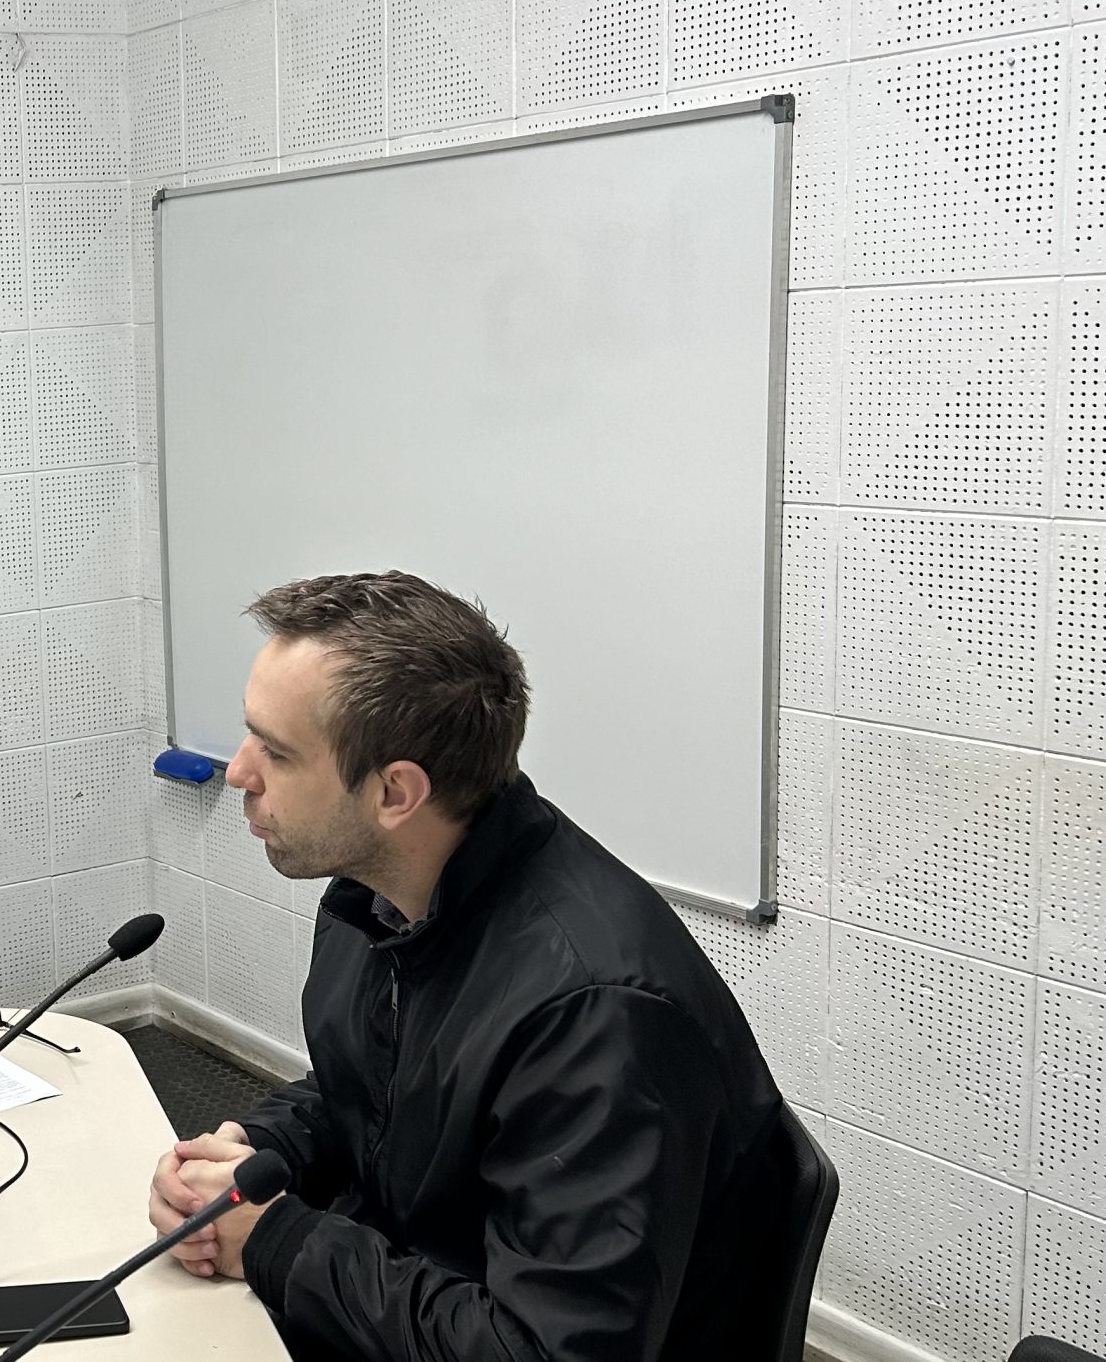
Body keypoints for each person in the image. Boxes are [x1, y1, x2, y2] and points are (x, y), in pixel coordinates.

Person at [146, 573, 791, 1361]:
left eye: (276, 752)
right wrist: (252, 1154)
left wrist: (275, 1239)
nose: (241, 771)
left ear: (395, 793)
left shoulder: (595, 1015)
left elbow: (541, 1351)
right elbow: (377, 1095)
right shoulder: (381, 896)